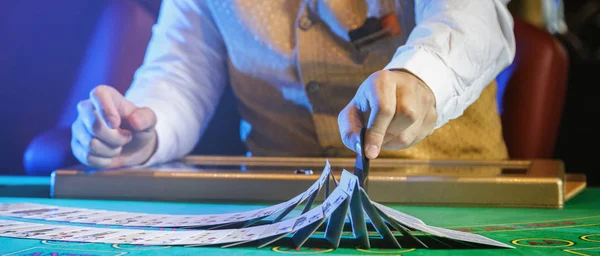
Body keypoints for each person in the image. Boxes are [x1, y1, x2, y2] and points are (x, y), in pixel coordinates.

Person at [71, 0, 515, 169]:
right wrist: (142, 130)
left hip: (455, 194)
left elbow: (474, 18)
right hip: (277, 206)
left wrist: (422, 78)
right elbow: (178, 76)